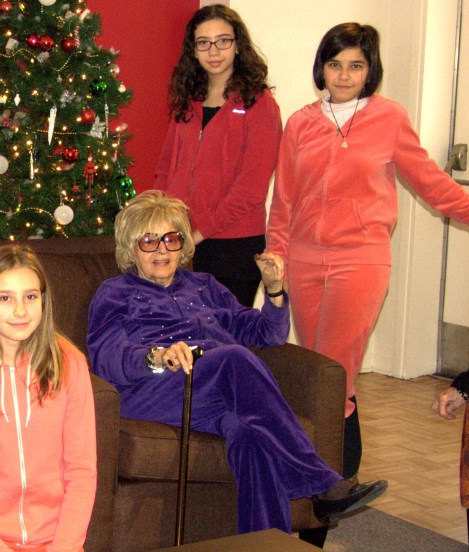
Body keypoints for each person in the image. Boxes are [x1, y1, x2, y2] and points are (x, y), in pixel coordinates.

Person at [86, 191, 387, 535]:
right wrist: (155, 355)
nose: (161, 250)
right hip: (153, 389)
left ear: (182, 245)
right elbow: (105, 354)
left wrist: (274, 291)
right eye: (148, 241)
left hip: (213, 392)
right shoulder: (114, 292)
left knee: (250, 434)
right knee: (233, 357)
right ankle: (321, 482)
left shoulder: (205, 286)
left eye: (171, 239)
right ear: (131, 248)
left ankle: (266, 542)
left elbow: (265, 333)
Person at [266, 23, 469, 481]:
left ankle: (332, 482)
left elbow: (432, 184)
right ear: (322, 68)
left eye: (355, 65)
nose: (344, 75)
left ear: (370, 70)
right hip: (303, 260)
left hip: (360, 260)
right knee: (317, 369)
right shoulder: (300, 122)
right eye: (335, 64)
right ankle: (322, 483)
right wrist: (276, 253)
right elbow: (284, 198)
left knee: (335, 373)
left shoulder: (389, 118)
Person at [0, 245, 97, 551]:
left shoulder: (70, 364)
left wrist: (64, 548)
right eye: (5, 298)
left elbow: (81, 471)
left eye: (30, 296)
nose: (20, 311)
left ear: (43, 300)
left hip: (58, 543)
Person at [152, 5, 281, 307]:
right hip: (180, 239)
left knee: (223, 333)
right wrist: (164, 225)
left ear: (238, 45)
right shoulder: (188, 100)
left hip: (232, 246)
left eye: (223, 41)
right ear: (193, 49)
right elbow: (165, 169)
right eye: (204, 43)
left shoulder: (260, 104)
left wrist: (198, 233)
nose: (213, 51)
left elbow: (251, 189)